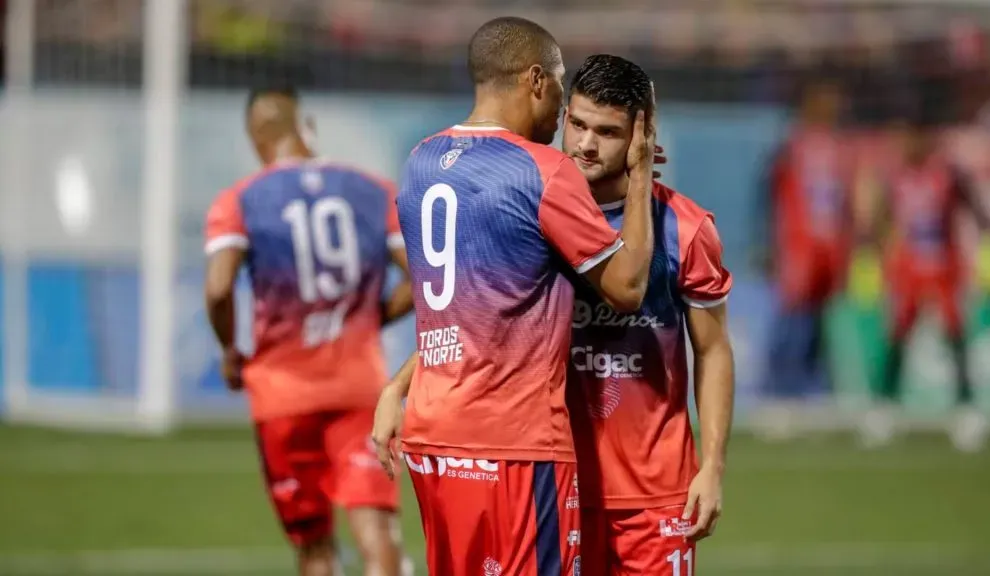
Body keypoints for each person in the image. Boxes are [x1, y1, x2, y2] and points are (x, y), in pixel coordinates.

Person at [373, 17, 657, 576]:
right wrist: (642, 174)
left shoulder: (421, 162)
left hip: (433, 435)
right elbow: (626, 288)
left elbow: (467, 313)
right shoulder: (544, 172)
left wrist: (396, 387)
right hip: (515, 444)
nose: (561, 113)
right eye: (557, 85)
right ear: (534, 80)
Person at [204, 86, 412, 576]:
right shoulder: (374, 190)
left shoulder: (239, 201)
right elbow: (423, 278)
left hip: (281, 396)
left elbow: (217, 290)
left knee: (315, 547)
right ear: (307, 127)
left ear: (256, 139)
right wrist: (373, 316)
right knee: (378, 536)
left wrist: (231, 350)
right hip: (360, 388)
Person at [559, 54, 735, 576]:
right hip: (556, 483)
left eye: (608, 132)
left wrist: (713, 466)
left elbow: (712, 350)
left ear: (642, 134)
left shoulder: (685, 227)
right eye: (578, 125)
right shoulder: (535, 217)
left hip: (657, 494)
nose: (587, 145)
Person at [860, 117, 990, 451]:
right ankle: (884, 406)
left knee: (954, 335)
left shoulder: (946, 174)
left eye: (910, 137)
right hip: (909, 267)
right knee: (899, 335)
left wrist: (989, 240)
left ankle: (966, 409)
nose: (905, 145)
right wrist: (873, 249)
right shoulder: (897, 176)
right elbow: (881, 215)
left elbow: (973, 204)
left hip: (944, 265)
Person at [755, 77, 853, 439]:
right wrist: (768, 243)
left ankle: (812, 394)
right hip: (799, 246)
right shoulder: (792, 146)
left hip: (829, 247)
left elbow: (842, 202)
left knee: (818, 319)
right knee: (791, 321)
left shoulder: (840, 148)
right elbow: (767, 192)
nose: (833, 109)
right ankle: (776, 395)